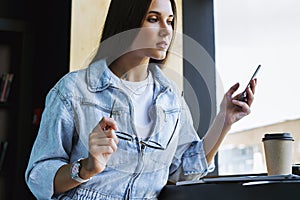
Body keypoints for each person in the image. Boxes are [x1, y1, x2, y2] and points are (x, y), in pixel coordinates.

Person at [25, 0, 257, 199]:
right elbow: (39, 176)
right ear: (128, 21)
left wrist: (224, 120)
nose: (166, 31)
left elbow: (185, 170)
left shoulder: (171, 98)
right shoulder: (74, 90)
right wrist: (86, 167)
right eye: (153, 19)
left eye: (170, 20)